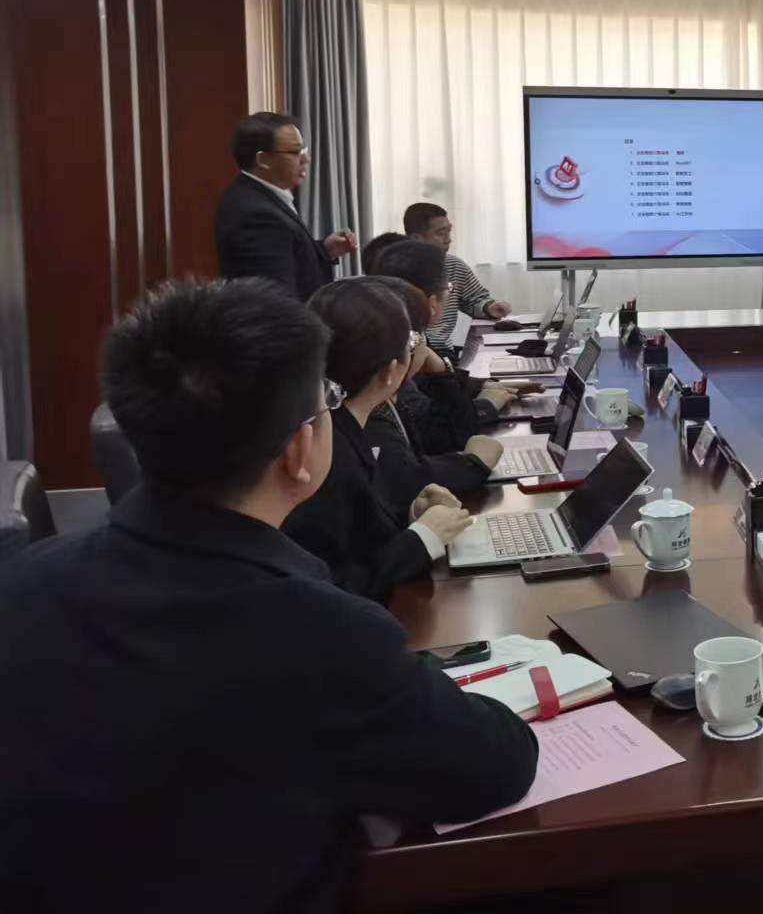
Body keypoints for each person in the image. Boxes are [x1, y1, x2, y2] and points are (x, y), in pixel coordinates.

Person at [0, 279, 536, 912]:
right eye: (327, 400)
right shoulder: (321, 633)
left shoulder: (22, 583)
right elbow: (498, 763)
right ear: (298, 450)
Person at [284, 278, 475, 603]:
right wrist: (422, 539)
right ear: (390, 371)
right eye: (412, 341)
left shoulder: (340, 426)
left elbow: (360, 536)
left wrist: (412, 515)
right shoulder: (325, 450)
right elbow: (334, 583)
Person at [365, 275, 501, 508]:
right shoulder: (377, 409)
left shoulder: (383, 395)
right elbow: (411, 474)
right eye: (419, 337)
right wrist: (472, 464)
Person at [374, 239, 516, 447]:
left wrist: (481, 385)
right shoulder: (398, 351)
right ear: (432, 303)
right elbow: (440, 433)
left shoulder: (398, 333)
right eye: (449, 287)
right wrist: (487, 405)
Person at [214, 113, 357, 298]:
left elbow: (284, 255)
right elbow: (277, 298)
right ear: (263, 160)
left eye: (303, 150)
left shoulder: (258, 194)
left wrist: (324, 250)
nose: (306, 159)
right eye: (295, 152)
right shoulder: (258, 217)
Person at [403, 202, 512, 348]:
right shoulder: (396, 270)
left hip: (444, 351)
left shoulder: (453, 265)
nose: (448, 239)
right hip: (411, 352)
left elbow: (475, 299)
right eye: (441, 233)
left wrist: (489, 308)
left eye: (449, 231)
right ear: (416, 239)